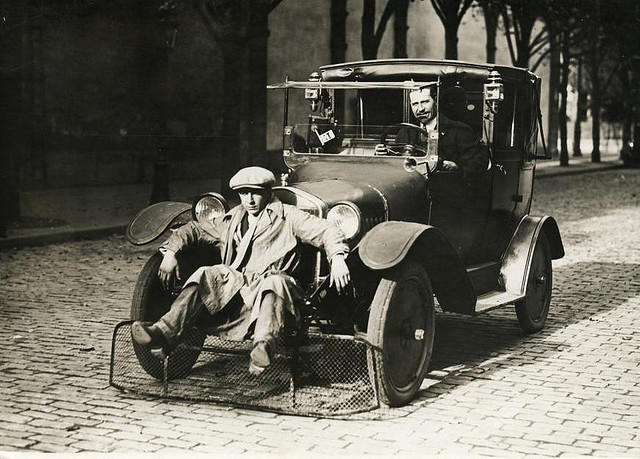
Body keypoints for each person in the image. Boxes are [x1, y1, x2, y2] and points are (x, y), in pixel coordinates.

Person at [131, 166, 351, 375]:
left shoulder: (288, 215)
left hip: (276, 285)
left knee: (274, 283)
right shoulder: (232, 218)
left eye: (255, 193)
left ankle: (263, 347)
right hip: (239, 286)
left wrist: (338, 258)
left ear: (267, 192)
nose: (250, 200)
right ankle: (164, 332)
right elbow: (193, 229)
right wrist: (169, 254)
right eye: (244, 194)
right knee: (207, 273)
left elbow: (327, 231)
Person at [377, 86, 489, 176]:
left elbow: (480, 161)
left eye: (425, 102)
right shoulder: (406, 131)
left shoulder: (459, 130)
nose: (420, 109)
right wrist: (384, 154)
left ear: (435, 101)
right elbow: (397, 161)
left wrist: (457, 166)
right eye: (415, 104)